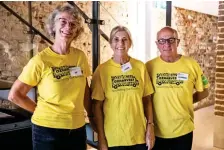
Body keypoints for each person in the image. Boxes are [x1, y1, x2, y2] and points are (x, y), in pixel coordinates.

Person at [8, 4, 92, 150]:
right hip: (47, 130)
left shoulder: (80, 57)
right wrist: (39, 110)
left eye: (73, 24)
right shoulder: (40, 60)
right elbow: (15, 95)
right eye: (63, 21)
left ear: (76, 31)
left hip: (77, 128)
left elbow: (85, 91)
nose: (68, 27)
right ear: (53, 26)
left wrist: (92, 117)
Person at [91, 25, 155, 150]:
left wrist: (150, 126)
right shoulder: (102, 70)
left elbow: (147, 100)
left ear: (130, 43)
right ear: (110, 43)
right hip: (113, 138)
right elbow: (97, 106)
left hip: (139, 136)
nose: (120, 43)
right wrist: (101, 138)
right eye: (116, 39)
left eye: (124, 39)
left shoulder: (140, 67)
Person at [145, 26, 209, 150]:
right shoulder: (149, 67)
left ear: (178, 42)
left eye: (171, 40)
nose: (166, 44)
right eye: (162, 41)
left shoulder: (191, 64)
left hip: (183, 129)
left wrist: (186, 100)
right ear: (157, 44)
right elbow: (145, 98)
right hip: (158, 130)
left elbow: (204, 92)